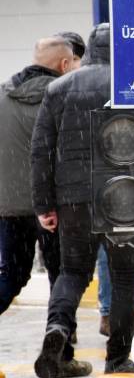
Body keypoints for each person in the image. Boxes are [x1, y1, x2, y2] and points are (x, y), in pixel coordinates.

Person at [31, 23, 134, 378]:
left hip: (74, 198)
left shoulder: (59, 87)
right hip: (126, 195)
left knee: (72, 272)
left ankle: (58, 330)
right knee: (126, 278)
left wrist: (44, 204)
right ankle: (117, 358)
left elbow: (40, 150)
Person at [0, 36, 78, 316]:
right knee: (63, 276)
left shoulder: (3, 94)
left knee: (11, 275)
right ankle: (60, 347)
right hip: (52, 206)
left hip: (9, 207)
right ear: (65, 63)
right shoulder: (65, 97)